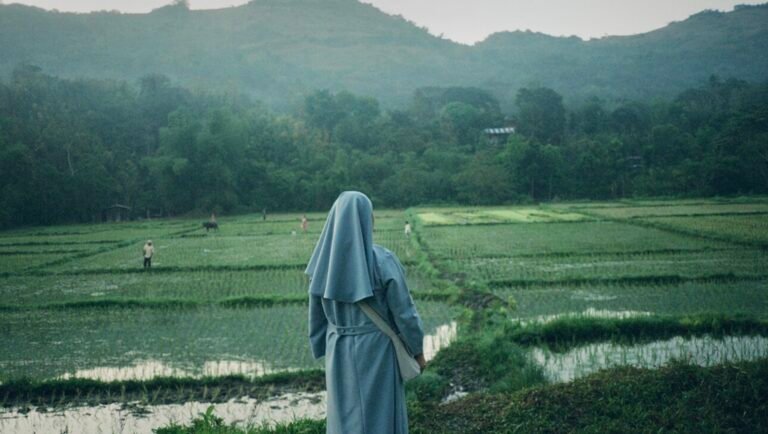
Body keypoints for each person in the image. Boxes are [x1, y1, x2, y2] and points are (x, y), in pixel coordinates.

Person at [307, 191, 426, 434]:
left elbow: (316, 314)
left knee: (345, 418)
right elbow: (405, 313)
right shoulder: (382, 260)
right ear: (365, 219)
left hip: (337, 348)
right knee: (379, 416)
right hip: (376, 350)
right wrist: (418, 351)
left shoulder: (322, 263)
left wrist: (322, 343)